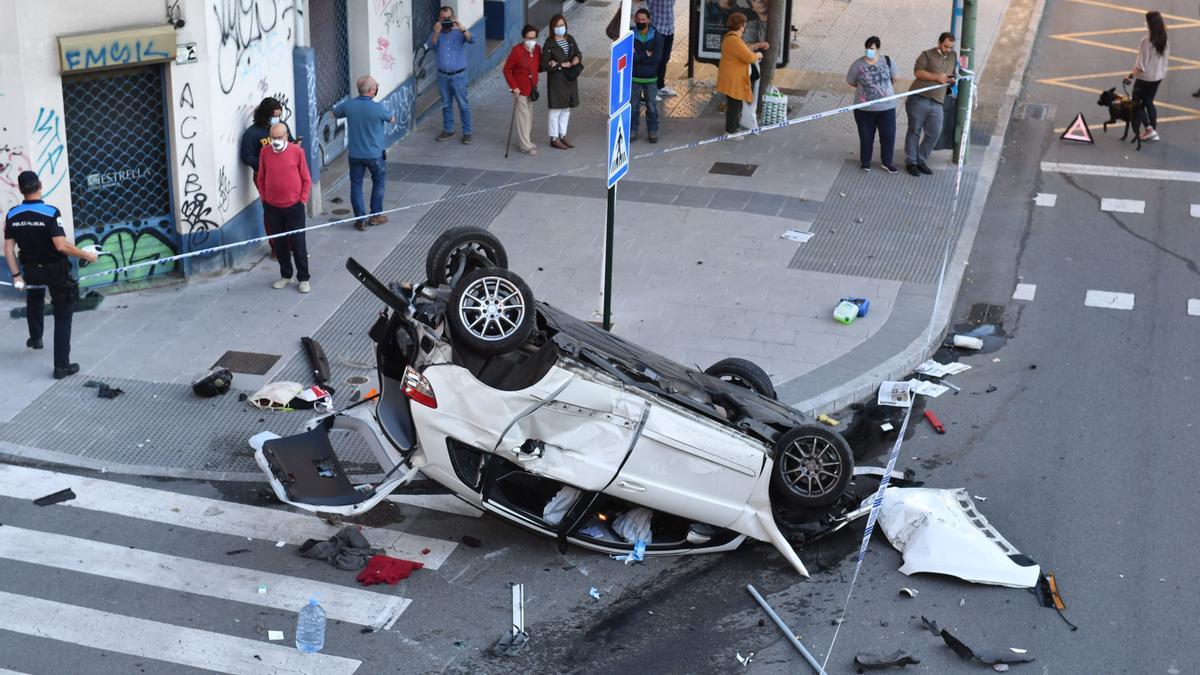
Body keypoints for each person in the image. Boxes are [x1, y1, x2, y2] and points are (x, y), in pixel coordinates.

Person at [4, 170, 98, 379]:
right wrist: (87, 255)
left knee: (35, 297)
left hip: (30, 270)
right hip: (56, 270)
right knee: (63, 314)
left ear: (20, 190)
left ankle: (36, 337)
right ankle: (61, 366)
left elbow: (8, 249)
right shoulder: (50, 212)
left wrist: (16, 275)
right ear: (40, 186)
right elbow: (61, 245)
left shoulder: (12, 214)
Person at [333, 76, 396, 231]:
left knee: (356, 185)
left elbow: (333, 114)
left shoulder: (349, 105)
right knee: (379, 182)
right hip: (375, 154)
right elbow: (392, 119)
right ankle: (375, 215)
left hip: (355, 154)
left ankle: (360, 219)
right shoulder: (378, 108)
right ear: (370, 90)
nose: (376, 88)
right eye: (376, 86)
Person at [256, 124, 313, 293]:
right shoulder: (265, 152)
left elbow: (306, 179)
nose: (276, 141)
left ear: (286, 136)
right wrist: (264, 197)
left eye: (279, 138)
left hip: (294, 207)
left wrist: (302, 200)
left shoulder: (297, 152)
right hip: (272, 207)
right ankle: (286, 275)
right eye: (273, 138)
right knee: (279, 244)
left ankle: (304, 278)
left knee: (298, 244)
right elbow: (261, 178)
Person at [239, 97, 292, 258]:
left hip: (286, 176)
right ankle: (275, 246)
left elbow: (290, 144)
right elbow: (246, 157)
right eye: (275, 116)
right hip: (265, 178)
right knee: (271, 213)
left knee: (289, 210)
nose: (277, 119)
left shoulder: (281, 127)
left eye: (279, 115)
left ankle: (289, 243)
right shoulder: (252, 134)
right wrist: (265, 163)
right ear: (265, 115)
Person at [904, 32, 956, 177]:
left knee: (934, 132)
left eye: (951, 47)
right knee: (914, 130)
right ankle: (911, 161)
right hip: (919, 98)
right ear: (939, 43)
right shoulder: (926, 55)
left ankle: (921, 159)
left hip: (938, 101)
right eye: (946, 46)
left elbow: (952, 73)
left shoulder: (953, 56)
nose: (948, 50)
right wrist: (936, 77)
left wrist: (951, 79)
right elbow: (918, 72)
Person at [847, 36, 899, 174]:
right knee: (866, 136)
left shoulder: (887, 61)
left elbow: (894, 78)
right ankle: (865, 161)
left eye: (872, 49)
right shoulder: (857, 65)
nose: (869, 51)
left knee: (888, 136)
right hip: (864, 109)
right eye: (867, 48)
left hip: (887, 108)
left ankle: (887, 162)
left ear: (878, 49)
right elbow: (851, 81)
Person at [431, 6, 474, 144]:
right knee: (445, 104)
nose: (446, 21)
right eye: (443, 19)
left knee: (463, 105)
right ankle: (448, 130)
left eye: (448, 18)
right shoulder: (436, 32)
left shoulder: (459, 32)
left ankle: (467, 132)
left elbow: (471, 39)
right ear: (439, 19)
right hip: (443, 76)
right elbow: (430, 45)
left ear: (453, 18)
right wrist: (436, 33)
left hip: (459, 76)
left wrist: (461, 27)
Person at [716, 13, 761, 142]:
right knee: (734, 105)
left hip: (731, 77)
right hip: (733, 79)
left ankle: (734, 127)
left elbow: (744, 50)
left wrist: (757, 46)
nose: (745, 26)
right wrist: (758, 54)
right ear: (741, 26)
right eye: (744, 23)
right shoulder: (734, 40)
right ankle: (730, 131)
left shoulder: (730, 38)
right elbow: (749, 57)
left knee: (735, 103)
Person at [542, 15, 582, 150]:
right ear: (553, 28)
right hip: (557, 80)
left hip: (570, 78)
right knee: (555, 109)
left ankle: (562, 135)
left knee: (566, 109)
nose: (561, 28)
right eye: (558, 26)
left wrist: (576, 58)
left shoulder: (570, 39)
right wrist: (560, 65)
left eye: (562, 25)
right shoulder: (549, 43)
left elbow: (578, 53)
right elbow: (543, 65)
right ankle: (554, 138)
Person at [1129, 11, 1168, 142]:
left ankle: (1149, 129)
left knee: (1136, 103)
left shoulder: (1145, 42)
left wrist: (1130, 76)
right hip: (1158, 77)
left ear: (1150, 24)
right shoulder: (1164, 39)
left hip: (1145, 78)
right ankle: (1153, 131)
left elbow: (1141, 64)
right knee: (1149, 102)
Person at [504, 25, 542, 155]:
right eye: (528, 38)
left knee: (529, 116)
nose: (531, 40)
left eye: (533, 37)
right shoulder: (517, 51)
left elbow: (539, 65)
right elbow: (507, 70)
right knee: (523, 117)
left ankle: (525, 141)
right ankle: (525, 146)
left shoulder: (537, 49)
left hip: (531, 89)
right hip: (519, 90)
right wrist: (513, 87)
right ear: (524, 37)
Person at [631, 9, 663, 143]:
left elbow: (656, 59)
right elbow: (629, 58)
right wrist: (645, 54)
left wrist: (637, 55)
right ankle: (632, 130)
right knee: (633, 106)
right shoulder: (630, 35)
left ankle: (653, 131)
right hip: (634, 78)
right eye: (638, 19)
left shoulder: (657, 36)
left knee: (651, 106)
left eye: (643, 20)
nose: (640, 22)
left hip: (650, 78)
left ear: (649, 20)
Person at [646, 0, 677, 99]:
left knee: (664, 59)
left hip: (669, 29)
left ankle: (660, 86)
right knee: (655, 60)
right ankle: (651, 90)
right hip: (657, 29)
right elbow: (648, 7)